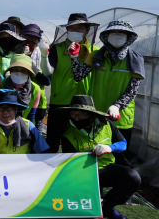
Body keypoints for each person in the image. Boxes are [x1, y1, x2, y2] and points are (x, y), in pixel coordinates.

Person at [69, 20, 144, 161]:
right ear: (106, 37)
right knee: (94, 155)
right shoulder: (97, 56)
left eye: (121, 34)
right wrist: (74, 57)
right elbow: (78, 76)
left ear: (129, 38)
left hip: (121, 117)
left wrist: (117, 106)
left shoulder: (135, 59)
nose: (117, 37)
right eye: (113, 34)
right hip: (97, 115)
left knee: (121, 157)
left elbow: (133, 90)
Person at [59, 95, 141, 219]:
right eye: (73, 114)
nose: (76, 118)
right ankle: (95, 208)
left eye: (81, 114)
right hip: (84, 174)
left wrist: (109, 148)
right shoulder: (68, 135)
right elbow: (71, 165)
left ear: (91, 114)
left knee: (133, 177)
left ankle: (107, 206)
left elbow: (123, 144)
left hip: (106, 168)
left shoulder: (107, 124)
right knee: (92, 214)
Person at [40, 13, 100, 153]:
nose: (76, 31)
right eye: (72, 28)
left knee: (80, 143)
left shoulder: (95, 52)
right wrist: (44, 55)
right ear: (67, 30)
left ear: (87, 30)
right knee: (53, 141)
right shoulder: (58, 48)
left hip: (85, 105)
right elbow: (48, 70)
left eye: (80, 28)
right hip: (60, 102)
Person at [0, 89, 49, 154]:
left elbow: (44, 151)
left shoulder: (28, 126)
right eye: (1, 108)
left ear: (16, 109)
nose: (5, 112)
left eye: (9, 108)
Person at [0, 54, 42, 122]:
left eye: (23, 70)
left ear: (28, 72)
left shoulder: (35, 89)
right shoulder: (0, 84)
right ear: (11, 71)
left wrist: (25, 129)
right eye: (16, 69)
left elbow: (31, 115)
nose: (19, 73)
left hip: (23, 125)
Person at [20, 24, 50, 127]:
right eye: (26, 37)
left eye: (34, 39)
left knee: (35, 134)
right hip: (20, 101)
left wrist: (35, 72)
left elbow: (47, 81)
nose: (29, 42)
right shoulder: (16, 54)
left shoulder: (41, 55)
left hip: (38, 103)